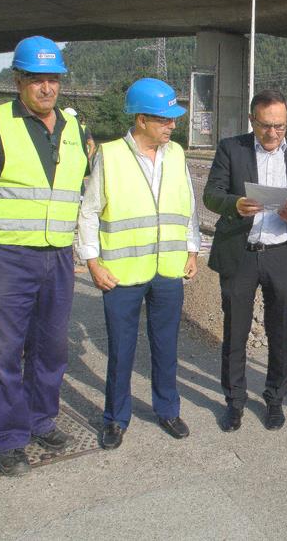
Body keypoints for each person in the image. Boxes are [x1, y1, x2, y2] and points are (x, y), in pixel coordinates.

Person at [0, 36, 89, 476]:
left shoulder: (76, 130)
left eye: (53, 79)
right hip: (8, 257)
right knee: (4, 350)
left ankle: (41, 420)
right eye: (37, 80)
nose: (46, 88)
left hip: (56, 257)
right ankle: (10, 437)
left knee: (50, 348)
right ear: (18, 80)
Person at [77, 78, 199, 450]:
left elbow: (188, 206)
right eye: (165, 119)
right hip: (122, 273)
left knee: (166, 347)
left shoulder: (176, 154)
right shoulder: (110, 155)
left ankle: (167, 409)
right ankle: (115, 418)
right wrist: (93, 263)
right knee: (121, 350)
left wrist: (192, 250)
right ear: (142, 119)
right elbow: (89, 213)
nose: (172, 125)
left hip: (167, 270)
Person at [203, 90, 287, 432]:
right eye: (265, 126)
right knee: (235, 332)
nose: (272, 133)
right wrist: (236, 204)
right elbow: (211, 194)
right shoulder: (231, 149)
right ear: (252, 120)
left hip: (281, 254)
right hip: (241, 252)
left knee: (279, 332)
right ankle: (235, 402)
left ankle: (275, 399)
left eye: (280, 126)